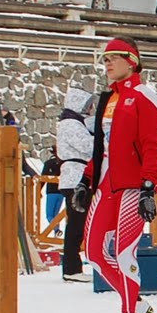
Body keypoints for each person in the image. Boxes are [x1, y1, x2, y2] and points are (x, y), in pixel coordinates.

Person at [83, 39, 157, 313]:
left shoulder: (144, 95)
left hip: (132, 184)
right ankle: (138, 304)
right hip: (106, 184)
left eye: (113, 58)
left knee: (124, 251)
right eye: (104, 60)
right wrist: (84, 179)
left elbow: (151, 144)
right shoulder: (108, 100)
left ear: (131, 61)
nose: (107, 64)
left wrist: (147, 185)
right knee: (93, 253)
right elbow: (101, 147)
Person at [55, 87, 96, 282]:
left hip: (74, 176)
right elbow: (88, 147)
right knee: (77, 225)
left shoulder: (71, 123)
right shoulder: (71, 124)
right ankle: (72, 268)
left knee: (77, 223)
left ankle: (73, 266)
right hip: (76, 177)